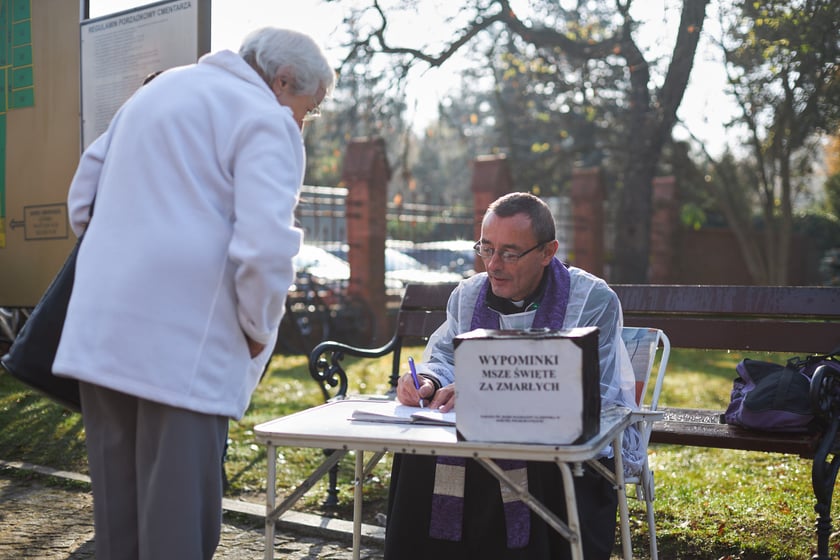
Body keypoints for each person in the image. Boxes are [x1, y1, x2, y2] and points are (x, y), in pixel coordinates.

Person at [52, 27, 335, 560]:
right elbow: (265, 247)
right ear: (282, 81)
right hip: (185, 347)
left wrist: (122, 258)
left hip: (103, 329)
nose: (303, 121)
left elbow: (82, 200)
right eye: (309, 108)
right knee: (177, 526)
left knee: (117, 522)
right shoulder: (266, 118)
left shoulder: (158, 91)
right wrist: (257, 328)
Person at [385, 192, 641, 560]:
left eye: (510, 253)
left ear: (548, 252)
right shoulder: (468, 295)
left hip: (567, 442)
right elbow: (443, 355)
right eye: (486, 249)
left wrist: (487, 395)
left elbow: (593, 394)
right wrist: (428, 381)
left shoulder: (591, 300)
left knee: (522, 459)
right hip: (480, 434)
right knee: (418, 455)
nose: (493, 265)